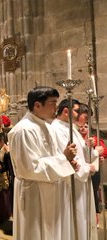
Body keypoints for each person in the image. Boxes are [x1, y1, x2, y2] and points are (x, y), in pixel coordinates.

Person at [8, 86, 78, 240]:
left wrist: (67, 162)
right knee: (36, 233)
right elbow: (30, 168)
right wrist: (63, 159)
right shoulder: (24, 130)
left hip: (49, 189)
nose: (56, 108)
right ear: (37, 105)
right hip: (35, 193)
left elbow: (48, 157)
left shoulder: (45, 126)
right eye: (53, 103)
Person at [52, 99, 101, 239]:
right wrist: (88, 167)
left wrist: (88, 147)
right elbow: (68, 157)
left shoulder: (71, 128)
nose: (78, 115)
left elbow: (80, 153)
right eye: (77, 111)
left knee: (83, 218)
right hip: (71, 182)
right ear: (65, 111)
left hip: (81, 181)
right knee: (75, 219)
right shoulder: (57, 129)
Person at [77, 103, 107, 228]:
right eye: (82, 125)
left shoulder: (94, 137)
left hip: (93, 170)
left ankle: (95, 219)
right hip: (80, 171)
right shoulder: (75, 135)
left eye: (86, 125)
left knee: (94, 194)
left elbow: (103, 150)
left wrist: (100, 157)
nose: (83, 128)